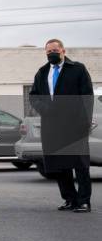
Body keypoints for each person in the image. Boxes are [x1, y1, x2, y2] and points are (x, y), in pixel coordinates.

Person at [29, 39, 94, 213]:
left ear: (63, 51)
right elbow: (33, 96)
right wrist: (45, 109)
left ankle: (84, 201)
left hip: (75, 124)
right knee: (60, 164)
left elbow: (87, 97)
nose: (52, 53)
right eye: (48, 51)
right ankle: (69, 199)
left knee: (80, 164)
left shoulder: (78, 69)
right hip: (52, 125)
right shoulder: (42, 72)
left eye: (55, 50)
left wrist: (86, 122)